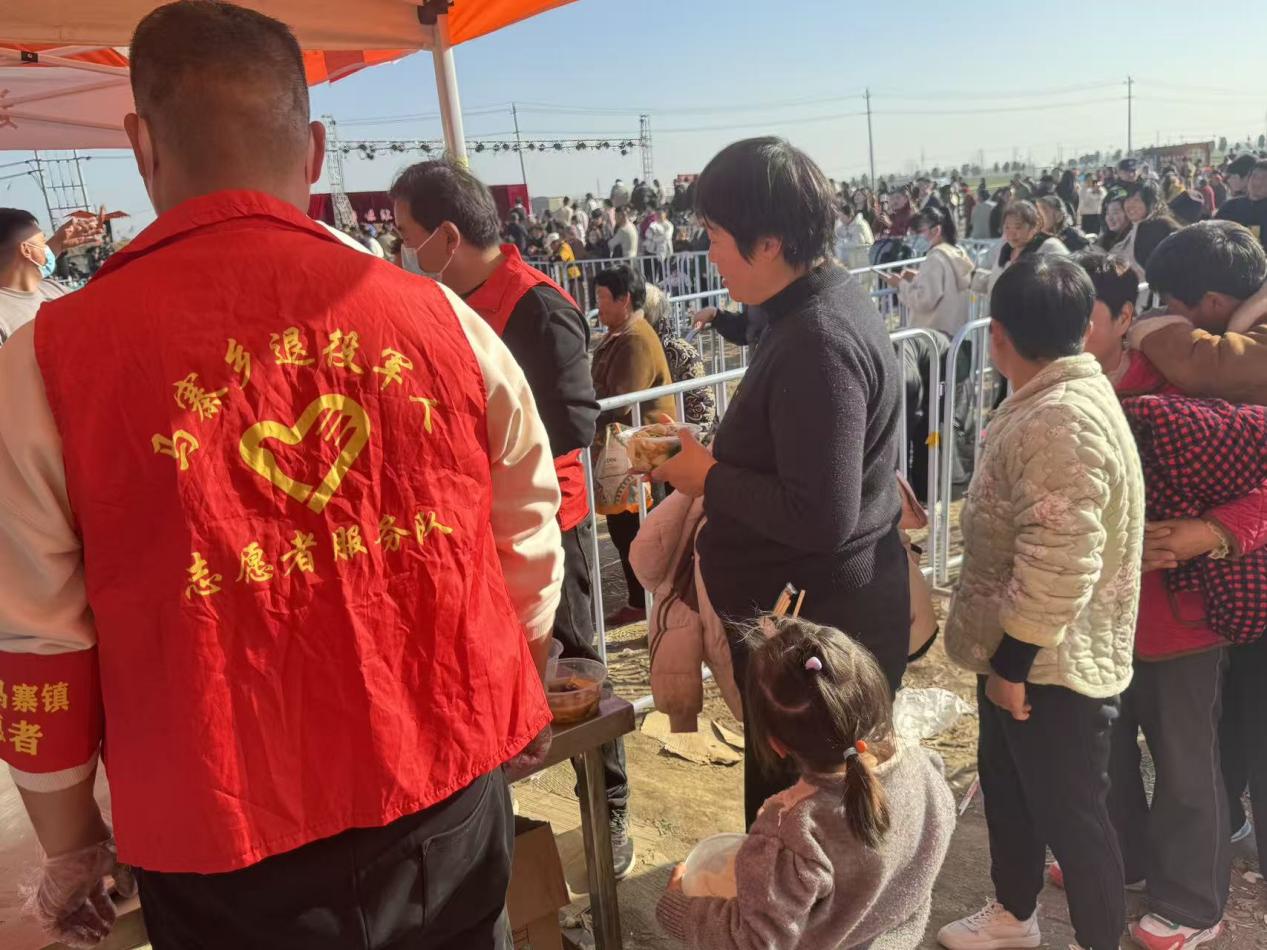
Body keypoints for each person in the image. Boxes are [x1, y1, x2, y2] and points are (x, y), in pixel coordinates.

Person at [0, 3, 566, 948]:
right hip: (444, 794)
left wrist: (72, 846)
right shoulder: (444, 320)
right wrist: (522, 686)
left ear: (142, 144)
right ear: (312, 149)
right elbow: (527, 527)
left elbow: (36, 635)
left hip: (219, 837)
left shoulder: (43, 363)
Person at [386, 160, 639, 877]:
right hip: (473, 531)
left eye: (405, 233)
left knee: (576, 681)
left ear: (446, 236)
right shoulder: (438, 303)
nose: (400, 249)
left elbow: (575, 422)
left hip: (548, 527)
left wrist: (479, 452)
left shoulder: (537, 306)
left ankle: (610, 809)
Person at [652, 137, 908, 828]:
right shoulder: (808, 307)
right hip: (809, 625)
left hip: (819, 640)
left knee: (803, 828)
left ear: (767, 244)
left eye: (715, 236)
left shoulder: (817, 342)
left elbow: (820, 514)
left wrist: (707, 475)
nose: (708, 253)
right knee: (809, 821)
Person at [937, 255, 1145, 950]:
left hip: (1050, 664)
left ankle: (1097, 940)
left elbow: (1061, 557)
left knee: (1074, 819)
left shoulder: (1059, 418)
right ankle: (1012, 912)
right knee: (1010, 790)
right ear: (1085, 327)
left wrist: (1013, 665)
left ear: (996, 335)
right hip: (1024, 650)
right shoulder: (1053, 396)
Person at [1072, 248, 1266, 950]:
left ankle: (1191, 901)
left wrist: (1211, 532)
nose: (1062, 332)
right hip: (1095, 614)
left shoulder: (1184, 387)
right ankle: (1122, 856)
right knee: (1106, 745)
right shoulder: (1054, 388)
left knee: (1185, 760)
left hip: (1177, 615)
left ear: (1126, 317)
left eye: (1080, 316)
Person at [656, 617, 955, 950]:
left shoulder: (791, 831)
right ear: (871, 698)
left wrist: (682, 909)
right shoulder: (923, 768)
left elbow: (754, 941)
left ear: (776, 744)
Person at [592, 265, 674, 626]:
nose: (597, 305)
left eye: (602, 298)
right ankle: (643, 600)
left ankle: (647, 602)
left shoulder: (636, 339)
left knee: (636, 530)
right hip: (631, 451)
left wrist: (583, 406)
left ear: (624, 299)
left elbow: (620, 401)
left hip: (643, 452)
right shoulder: (622, 334)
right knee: (626, 528)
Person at [0, 210, 102, 342]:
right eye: (43, 241)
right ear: (26, 250)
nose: (46, 248)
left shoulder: (54, 288)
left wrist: (59, 241)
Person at [883, 206, 973, 337]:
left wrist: (900, 284)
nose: (914, 237)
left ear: (936, 230)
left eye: (919, 232)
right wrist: (918, 277)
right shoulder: (956, 251)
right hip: (954, 331)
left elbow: (924, 300)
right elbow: (947, 284)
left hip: (933, 335)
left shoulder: (935, 259)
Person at [644, 284, 717, 429]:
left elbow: (703, 410)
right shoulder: (634, 348)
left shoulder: (679, 352)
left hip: (682, 436)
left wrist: (680, 437)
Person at [971, 199, 1067, 297]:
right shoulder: (1004, 250)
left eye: (1018, 227)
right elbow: (994, 281)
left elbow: (1065, 284)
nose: (1011, 233)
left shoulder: (1050, 248)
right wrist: (971, 275)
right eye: (1007, 227)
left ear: (1034, 226)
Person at [1123, 181, 1182, 277]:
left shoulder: (1159, 227)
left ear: (1151, 203)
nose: (1130, 204)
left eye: (1137, 200)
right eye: (1128, 199)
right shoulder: (1137, 225)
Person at [1215, 158, 1267, 246]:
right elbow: (1213, 235)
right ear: (1248, 179)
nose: (1257, 182)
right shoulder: (1229, 207)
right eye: (1254, 176)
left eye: (1264, 178)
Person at [834, 199, 874, 270]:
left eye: (842, 216)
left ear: (850, 215)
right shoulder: (844, 225)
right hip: (849, 260)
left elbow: (858, 244)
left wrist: (842, 243)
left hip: (862, 260)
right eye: (839, 217)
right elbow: (837, 236)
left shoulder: (860, 225)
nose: (840, 219)